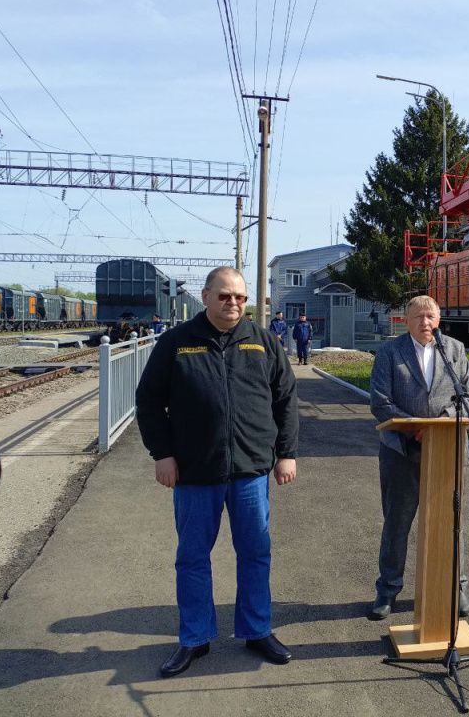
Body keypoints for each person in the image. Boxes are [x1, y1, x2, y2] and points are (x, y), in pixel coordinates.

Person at [135, 266, 299, 678]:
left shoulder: (263, 341)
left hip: (249, 471)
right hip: (194, 471)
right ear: (206, 296)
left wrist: (286, 453)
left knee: (255, 554)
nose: (233, 304)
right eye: (225, 296)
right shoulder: (177, 342)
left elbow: (286, 399)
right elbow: (150, 400)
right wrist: (162, 453)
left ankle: (257, 630)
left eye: (241, 298)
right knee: (192, 558)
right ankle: (195, 638)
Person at [368, 295, 469, 621]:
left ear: (438, 319)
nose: (425, 323)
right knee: (397, 523)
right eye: (418, 317)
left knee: (451, 522)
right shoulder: (390, 352)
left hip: (446, 449)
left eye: (430, 317)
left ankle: (455, 587)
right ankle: (387, 591)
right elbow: (380, 400)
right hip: (401, 450)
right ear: (406, 320)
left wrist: (442, 420)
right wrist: (416, 427)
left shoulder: (454, 350)